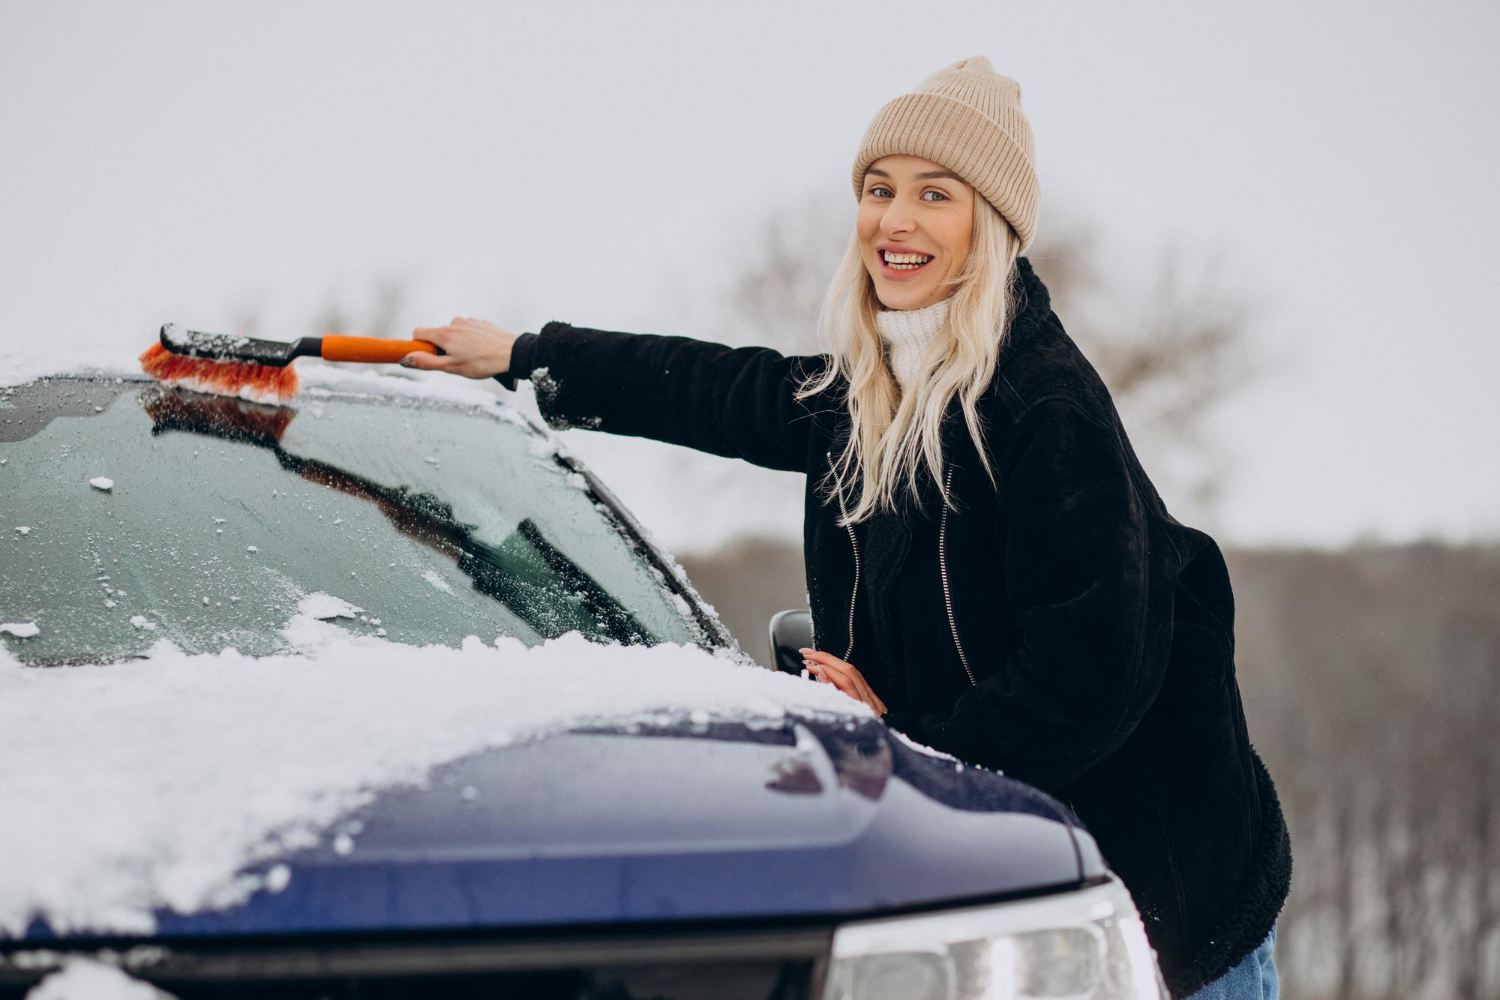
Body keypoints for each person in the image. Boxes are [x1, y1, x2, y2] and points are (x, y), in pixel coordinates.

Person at [401, 56, 1291, 1000]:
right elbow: (714, 389)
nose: (894, 220)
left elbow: (1087, 683)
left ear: (988, 228)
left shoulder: (1044, 412)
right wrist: (527, 356)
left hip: (1167, 904)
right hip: (1008, 888)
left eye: (934, 195)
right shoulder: (870, 394)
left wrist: (898, 740)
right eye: (878, 189)